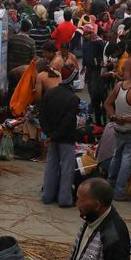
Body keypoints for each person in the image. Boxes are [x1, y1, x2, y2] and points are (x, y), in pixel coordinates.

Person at [104, 61, 131, 200]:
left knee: (117, 157)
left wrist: (114, 116)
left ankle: (110, 186)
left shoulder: (119, 85)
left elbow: (107, 103)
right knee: (126, 161)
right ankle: (119, 192)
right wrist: (124, 119)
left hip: (118, 129)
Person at [38, 73, 80, 207]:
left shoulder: (49, 94)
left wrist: (49, 135)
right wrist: (54, 135)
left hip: (52, 137)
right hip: (66, 138)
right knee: (67, 169)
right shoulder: (73, 99)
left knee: (51, 166)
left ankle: (47, 196)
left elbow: (42, 116)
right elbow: (67, 122)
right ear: (72, 83)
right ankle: (64, 199)